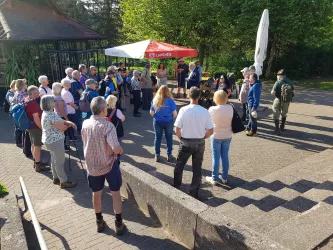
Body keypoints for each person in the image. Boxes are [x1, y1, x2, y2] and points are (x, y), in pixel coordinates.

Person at [81, 96, 126, 234]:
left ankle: (99, 221)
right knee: (115, 193)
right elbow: (115, 148)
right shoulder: (108, 125)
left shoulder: (85, 123)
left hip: (92, 165)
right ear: (102, 109)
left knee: (96, 193)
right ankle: (118, 223)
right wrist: (120, 150)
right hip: (109, 164)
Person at [174, 87, 214, 198]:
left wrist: (180, 138)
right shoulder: (205, 111)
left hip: (186, 142)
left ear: (188, 96)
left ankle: (177, 186)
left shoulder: (183, 110)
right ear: (199, 97)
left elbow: (177, 128)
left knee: (180, 165)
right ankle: (194, 192)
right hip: (199, 143)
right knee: (197, 168)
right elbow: (211, 130)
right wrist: (203, 137)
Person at [40, 95, 76, 188]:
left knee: (54, 159)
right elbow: (62, 127)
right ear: (50, 103)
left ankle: (55, 177)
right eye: (54, 101)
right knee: (59, 161)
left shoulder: (46, 112)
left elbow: (61, 121)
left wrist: (69, 122)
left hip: (49, 140)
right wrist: (69, 125)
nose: (55, 102)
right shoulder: (51, 115)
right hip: (55, 141)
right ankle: (63, 181)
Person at [205, 90, 233, 185]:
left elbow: (207, 121)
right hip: (228, 135)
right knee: (225, 155)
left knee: (216, 157)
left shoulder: (212, 109)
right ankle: (224, 177)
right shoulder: (230, 108)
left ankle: (214, 178)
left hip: (216, 135)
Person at [25, 85, 49, 171]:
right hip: (35, 127)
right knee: (38, 146)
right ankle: (38, 165)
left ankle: (36, 161)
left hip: (30, 126)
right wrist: (42, 129)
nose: (39, 93)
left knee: (33, 145)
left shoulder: (26, 99)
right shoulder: (33, 103)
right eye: (38, 92)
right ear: (34, 93)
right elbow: (36, 118)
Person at [150, 86, 177, 162]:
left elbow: (151, 113)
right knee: (169, 137)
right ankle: (169, 155)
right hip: (168, 120)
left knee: (158, 137)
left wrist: (156, 116)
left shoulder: (155, 100)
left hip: (158, 120)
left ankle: (157, 155)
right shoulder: (171, 101)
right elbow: (175, 114)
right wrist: (170, 117)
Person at [271, 69, 295, 135]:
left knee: (276, 114)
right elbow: (293, 91)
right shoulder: (289, 81)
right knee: (284, 113)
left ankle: (277, 130)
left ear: (280, 75)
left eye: (278, 75)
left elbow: (273, 92)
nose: (277, 76)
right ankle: (282, 127)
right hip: (287, 101)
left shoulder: (278, 82)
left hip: (278, 100)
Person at [11, 79, 28, 147]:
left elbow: (12, 101)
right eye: (25, 84)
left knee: (17, 128)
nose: (26, 85)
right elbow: (26, 103)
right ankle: (24, 144)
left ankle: (18, 142)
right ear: (22, 85)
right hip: (23, 113)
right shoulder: (24, 94)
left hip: (16, 113)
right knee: (24, 129)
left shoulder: (16, 93)